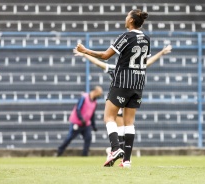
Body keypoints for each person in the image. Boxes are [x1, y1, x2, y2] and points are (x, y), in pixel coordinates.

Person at [73, 45, 172, 167]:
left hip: (117, 100)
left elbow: (100, 62)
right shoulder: (134, 68)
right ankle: (124, 158)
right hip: (130, 97)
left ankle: (115, 150)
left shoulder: (115, 69)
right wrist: (161, 53)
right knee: (126, 128)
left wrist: (85, 54)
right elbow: (147, 63)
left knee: (117, 127)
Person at [76, 9, 151, 167]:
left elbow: (105, 56)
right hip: (138, 84)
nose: (125, 18)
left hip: (122, 82)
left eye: (127, 16)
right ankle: (127, 161)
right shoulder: (146, 39)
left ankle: (115, 148)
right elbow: (144, 63)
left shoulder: (126, 36)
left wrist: (85, 51)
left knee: (109, 117)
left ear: (131, 20)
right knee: (129, 122)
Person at [57, 86, 103, 156]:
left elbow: (92, 115)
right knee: (69, 138)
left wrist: (93, 126)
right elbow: (78, 109)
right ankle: (59, 151)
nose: (99, 96)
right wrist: (81, 119)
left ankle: (84, 155)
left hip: (86, 124)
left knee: (88, 138)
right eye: (99, 94)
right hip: (77, 122)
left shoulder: (95, 103)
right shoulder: (84, 97)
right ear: (95, 91)